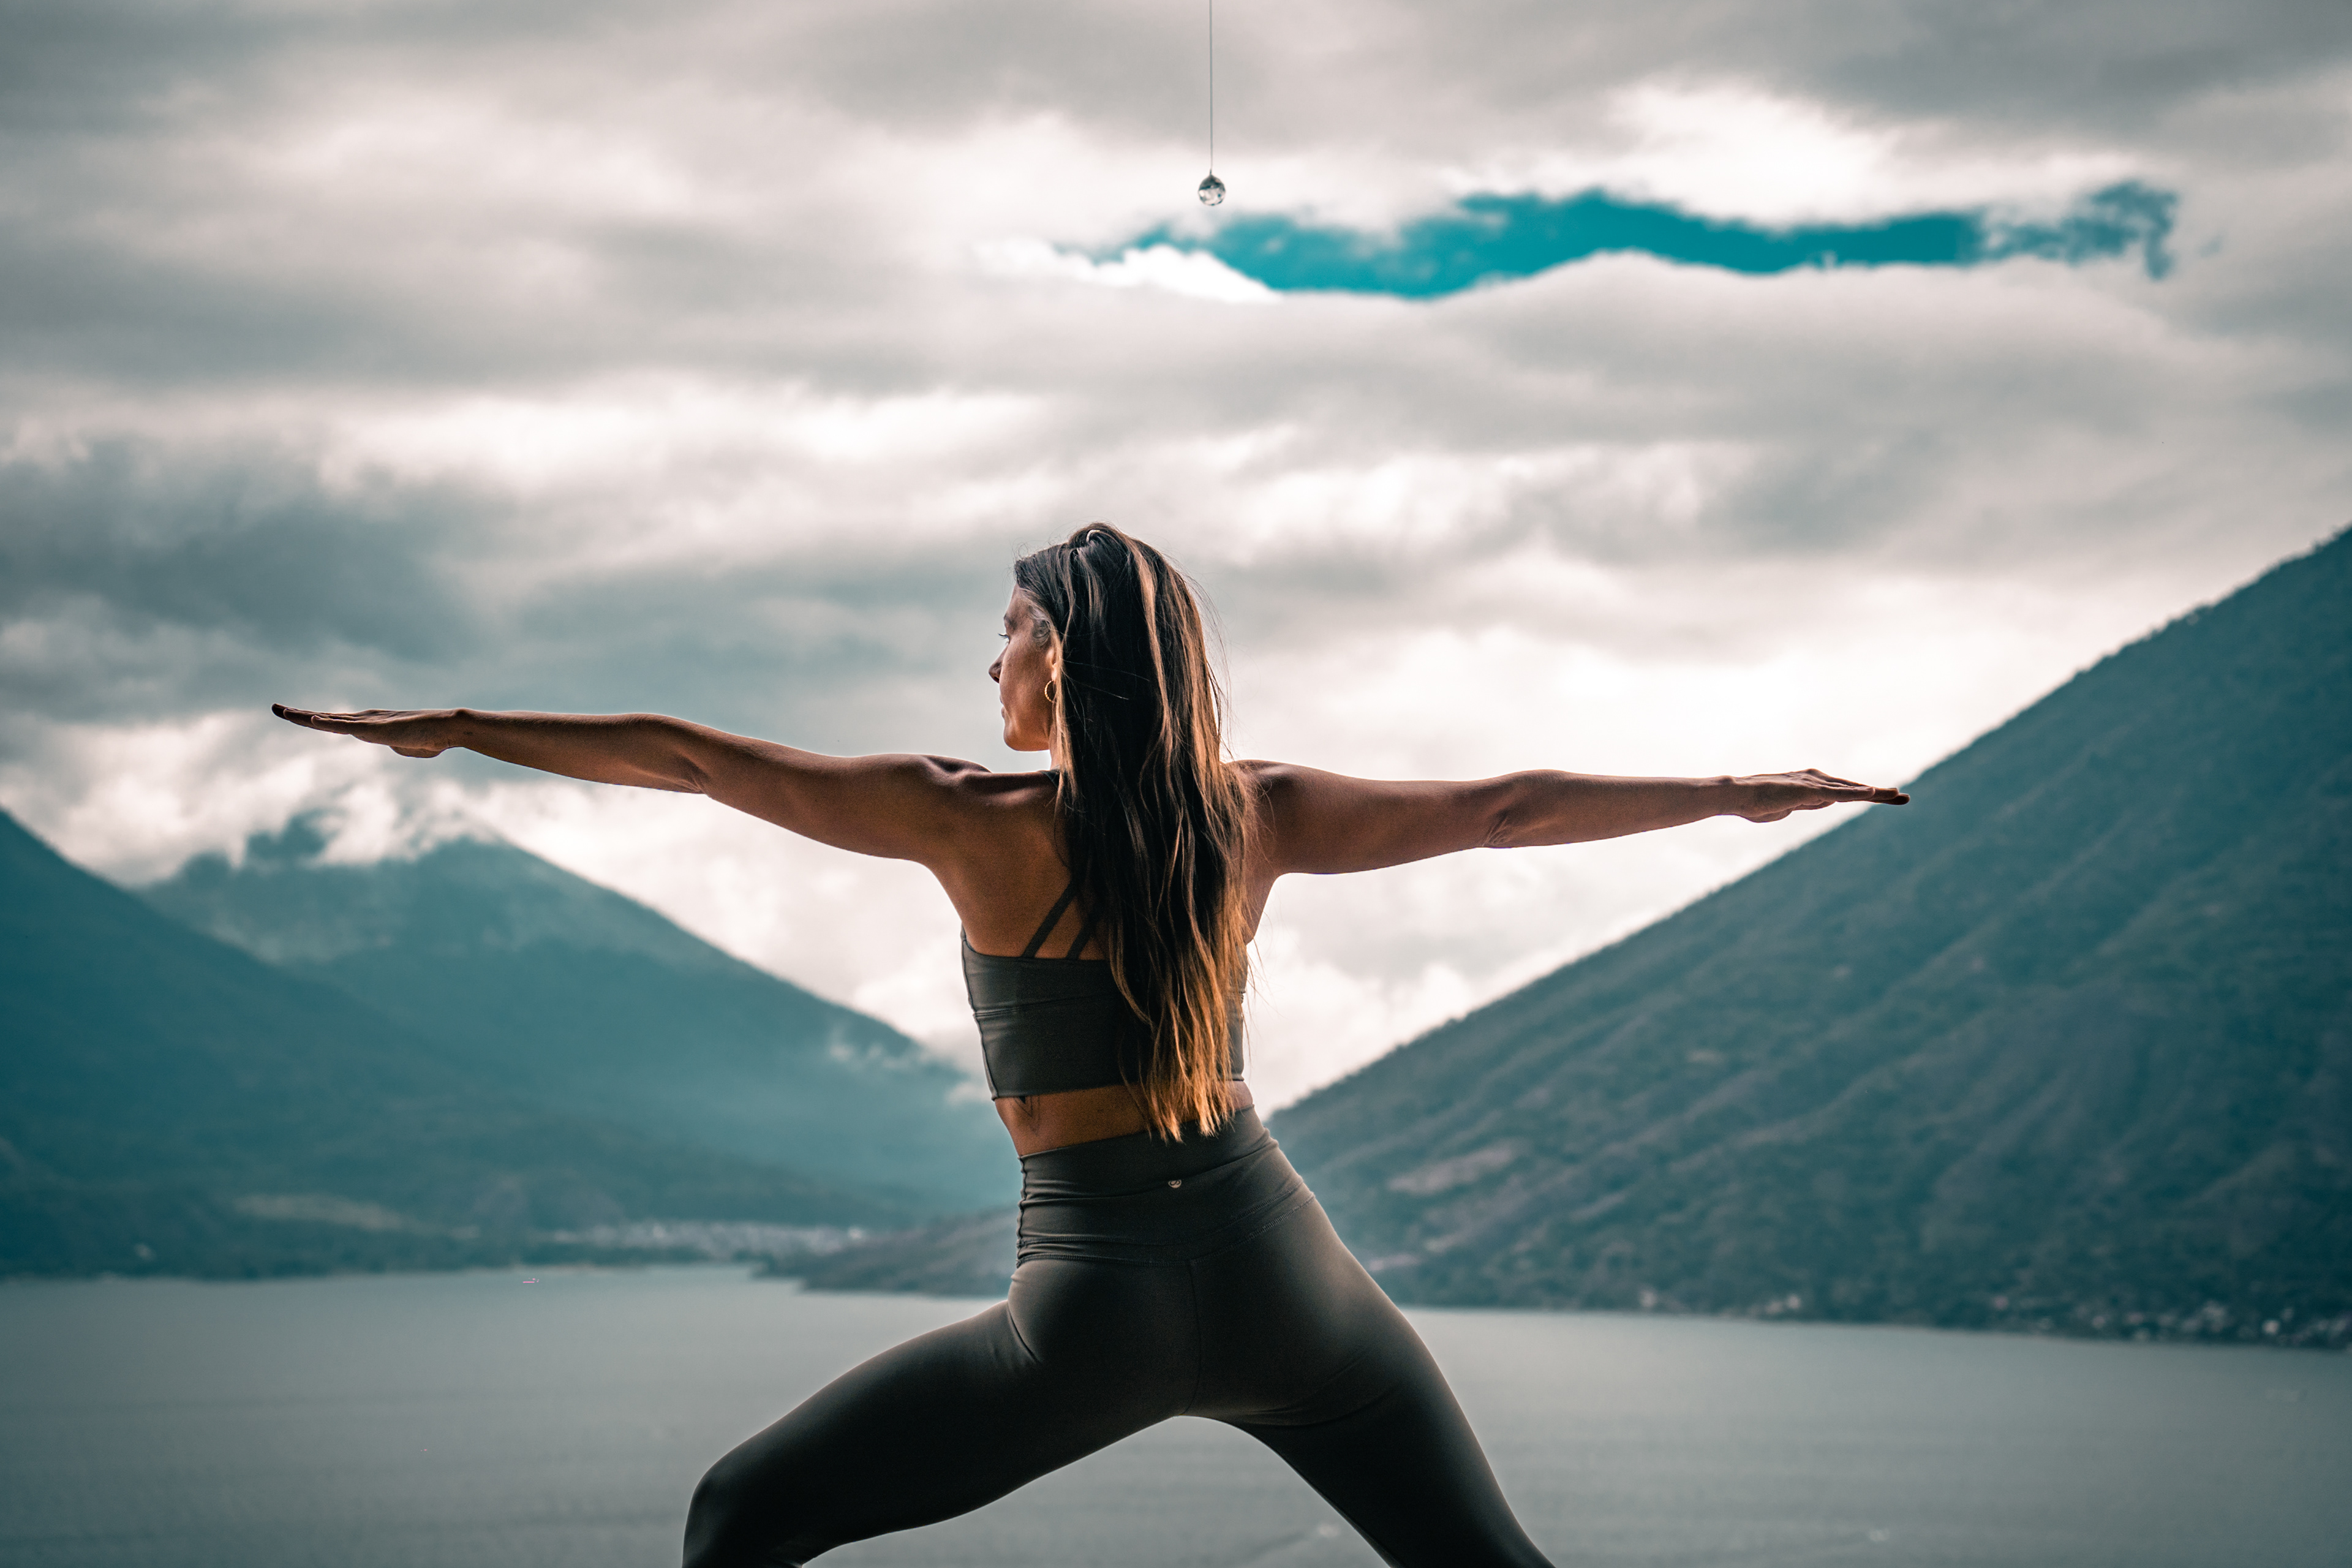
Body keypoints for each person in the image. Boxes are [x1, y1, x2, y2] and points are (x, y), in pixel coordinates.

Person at [274, 522, 1907, 1567]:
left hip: (1096, 1308)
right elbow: (1504, 810)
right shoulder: (1253, 813)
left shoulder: (966, 817)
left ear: (1061, 655)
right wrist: (1731, 792)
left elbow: (692, 758)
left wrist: (463, 728)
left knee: (739, 1514)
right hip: (1294, 1281)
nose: (989, 659)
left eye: (1005, 628)